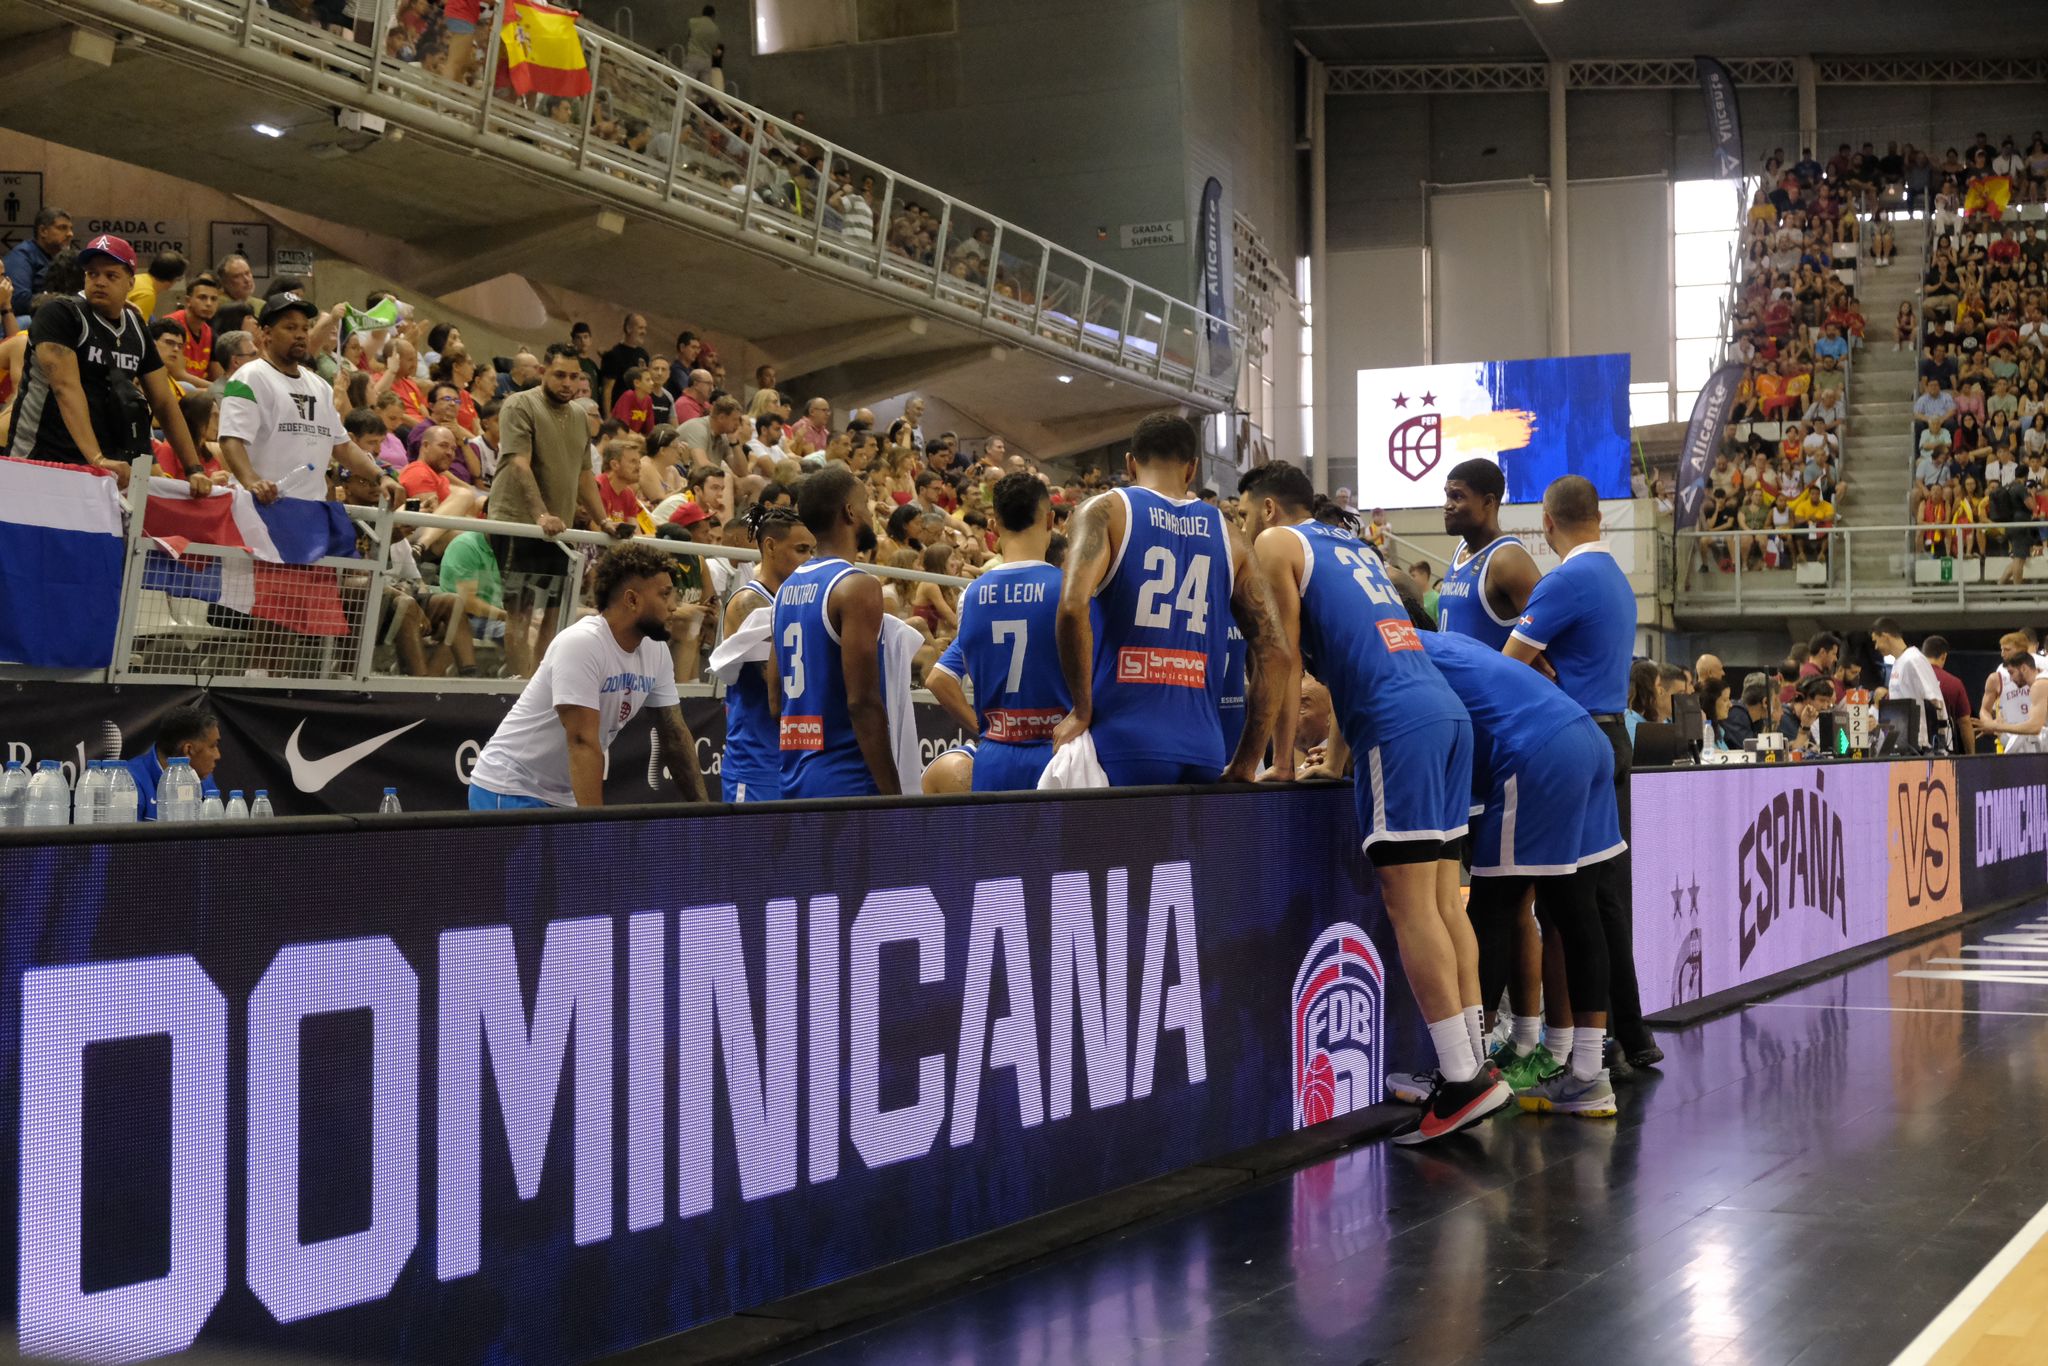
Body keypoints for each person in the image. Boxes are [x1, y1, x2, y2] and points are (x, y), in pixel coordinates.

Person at [1233, 461, 1505, 1145]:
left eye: (1242, 513)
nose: (1241, 527)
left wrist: (1282, 762)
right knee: (1447, 903)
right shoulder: (1352, 543)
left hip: (1399, 723)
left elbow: (1283, 656)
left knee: (1408, 903)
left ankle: (1463, 1079)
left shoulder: (1276, 543)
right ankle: (1472, 1063)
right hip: (1443, 714)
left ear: (1267, 508)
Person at [1417, 624, 1626, 1119]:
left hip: (1538, 749)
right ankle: (1588, 1076)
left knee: (1491, 911)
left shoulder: (1405, 654)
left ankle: (1469, 1073)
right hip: (1588, 737)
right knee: (1576, 913)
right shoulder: (1457, 644)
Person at [1505, 476, 1659, 1074]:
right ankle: (1628, 1034)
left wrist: (1543, 673)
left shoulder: (1566, 580)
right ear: (1601, 517)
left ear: (1546, 523)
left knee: (1569, 906)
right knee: (1606, 898)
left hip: (1574, 740)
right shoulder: (1617, 580)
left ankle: (1582, 1047)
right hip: (1612, 735)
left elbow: (1507, 667)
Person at [1052, 414, 1282, 787]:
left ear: (1129, 463)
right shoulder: (1231, 535)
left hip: (1126, 739)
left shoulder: (1107, 511)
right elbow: (1276, 652)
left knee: (1119, 848)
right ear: (1192, 469)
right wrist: (1248, 760)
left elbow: (1072, 605)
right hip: (1205, 747)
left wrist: (1081, 709)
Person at [467, 544, 709, 809]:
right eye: (665, 595)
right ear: (632, 600)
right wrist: (594, 829)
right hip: (509, 787)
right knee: (590, 847)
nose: (675, 606)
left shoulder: (656, 649)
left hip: (560, 794)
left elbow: (673, 734)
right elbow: (582, 742)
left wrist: (705, 811)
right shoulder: (582, 643)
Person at [8, 234, 212, 496]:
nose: (99, 281)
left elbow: (163, 402)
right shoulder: (60, 314)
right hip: (41, 458)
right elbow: (65, 388)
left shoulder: (136, 328)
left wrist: (194, 468)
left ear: (130, 282)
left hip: (104, 465)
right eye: (92, 274)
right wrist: (96, 459)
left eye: (111, 275)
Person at [926, 472, 1069, 791]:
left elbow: (939, 678)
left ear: (993, 525)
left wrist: (983, 727)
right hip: (1058, 755)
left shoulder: (970, 596)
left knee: (996, 842)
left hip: (995, 755)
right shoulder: (1069, 592)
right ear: (1050, 521)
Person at [488, 342, 624, 666]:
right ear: (542, 371)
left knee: (553, 615)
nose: (567, 383)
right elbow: (519, 463)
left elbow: (584, 474)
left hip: (559, 530)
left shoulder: (579, 415)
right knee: (519, 612)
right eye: (559, 374)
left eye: (574, 377)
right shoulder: (519, 404)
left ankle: (541, 689)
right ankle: (518, 690)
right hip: (519, 521)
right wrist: (541, 514)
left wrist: (603, 521)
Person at [773, 465, 903, 798]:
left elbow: (775, 701)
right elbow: (862, 702)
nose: (871, 513)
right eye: (866, 503)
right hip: (846, 779)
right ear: (849, 512)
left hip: (793, 775)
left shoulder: (785, 590)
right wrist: (892, 793)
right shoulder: (856, 586)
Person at [220, 294, 402, 505]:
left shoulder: (320, 386)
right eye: (290, 328)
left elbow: (342, 446)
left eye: (304, 329)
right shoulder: (248, 377)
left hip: (310, 509)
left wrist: (381, 476)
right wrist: (252, 481)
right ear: (267, 334)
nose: (300, 335)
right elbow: (230, 438)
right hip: (260, 507)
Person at [719, 504, 816, 801]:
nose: (809, 560)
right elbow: (783, 683)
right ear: (770, 547)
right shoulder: (750, 602)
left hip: (794, 757)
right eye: (801, 550)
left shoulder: (795, 601)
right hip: (757, 762)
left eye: (813, 550)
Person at [1439, 460, 1541, 650]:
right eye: (1447, 496)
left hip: (1487, 679)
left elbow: (1546, 629)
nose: (1447, 506)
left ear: (1488, 502)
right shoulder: (1460, 551)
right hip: (1449, 678)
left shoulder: (1507, 558)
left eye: (1457, 497)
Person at [122, 703, 223, 820]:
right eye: (213, 746)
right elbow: (124, 837)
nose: (218, 755)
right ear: (188, 750)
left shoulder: (205, 780)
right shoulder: (129, 781)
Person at [1873, 616, 1952, 750]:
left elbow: (1936, 701)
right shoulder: (1898, 663)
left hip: (1922, 746)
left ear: (1885, 636)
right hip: (1903, 745)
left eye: (1875, 641)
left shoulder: (1914, 659)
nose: (1875, 647)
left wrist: (1942, 745)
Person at [1981, 628, 2048, 754]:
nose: (2002, 654)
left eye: (2007, 649)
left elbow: (2034, 727)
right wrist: (1992, 721)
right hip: (2017, 739)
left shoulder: (2040, 681)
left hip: (2036, 739)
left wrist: (1997, 726)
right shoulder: (2000, 673)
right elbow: (1988, 709)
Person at [4, 206, 71, 325]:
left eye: (70, 229)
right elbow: (18, 300)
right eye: (62, 228)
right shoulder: (21, 256)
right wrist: (60, 301)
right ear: (43, 231)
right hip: (20, 320)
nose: (70, 234)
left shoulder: (62, 257)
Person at [1922, 636, 1977, 754]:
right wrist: (1971, 755)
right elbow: (1965, 723)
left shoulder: (1908, 679)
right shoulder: (1954, 683)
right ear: (1944, 656)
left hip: (1912, 752)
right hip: (1944, 751)